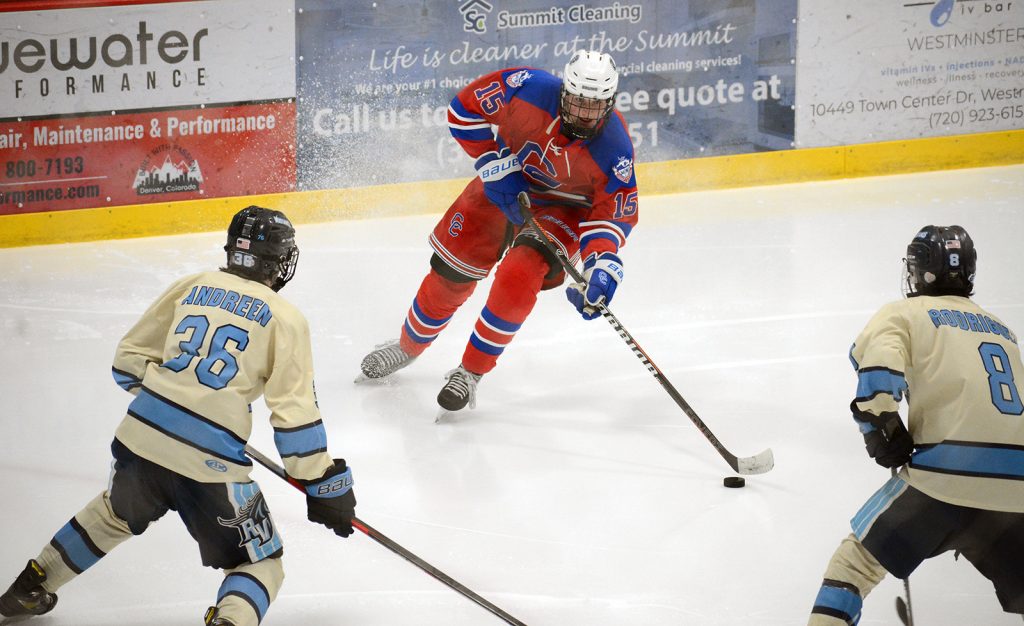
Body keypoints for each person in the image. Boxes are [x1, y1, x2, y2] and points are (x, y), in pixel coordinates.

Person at [0, 206, 357, 626]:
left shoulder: (191, 286)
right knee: (260, 564)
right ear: (278, 259)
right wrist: (323, 482)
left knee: (115, 514)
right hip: (207, 464)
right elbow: (293, 413)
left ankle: (28, 588)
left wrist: (173, 400)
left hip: (140, 438)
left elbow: (127, 361)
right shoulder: (286, 318)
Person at [357, 50, 639, 413]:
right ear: (564, 92)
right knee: (451, 272)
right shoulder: (527, 88)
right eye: (578, 102)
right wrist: (493, 165)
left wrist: (600, 264)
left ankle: (470, 373)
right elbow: (462, 110)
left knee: (520, 273)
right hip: (503, 184)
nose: (585, 113)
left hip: (562, 211)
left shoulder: (615, 147)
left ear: (611, 102)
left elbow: (609, 216)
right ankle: (407, 347)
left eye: (596, 105)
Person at [809, 225, 1024, 625]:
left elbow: (877, 380)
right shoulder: (1004, 331)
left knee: (853, 568)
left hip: (946, 476)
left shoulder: (904, 312)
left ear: (921, 271)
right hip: (1019, 488)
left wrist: (882, 429)